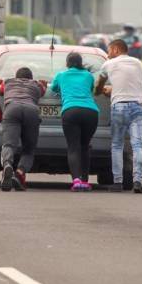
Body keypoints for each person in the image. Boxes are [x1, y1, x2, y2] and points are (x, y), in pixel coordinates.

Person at [95, 38, 142, 193]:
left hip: (119, 107)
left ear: (116, 50)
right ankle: (137, 181)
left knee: (117, 145)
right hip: (138, 107)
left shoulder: (108, 64)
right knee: (137, 145)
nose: (108, 54)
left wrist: (101, 91)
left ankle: (118, 182)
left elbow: (99, 84)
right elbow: (129, 81)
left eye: (109, 50)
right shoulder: (138, 63)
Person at [52, 52, 100, 192]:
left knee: (73, 147)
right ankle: (85, 181)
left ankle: (76, 180)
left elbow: (54, 88)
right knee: (85, 146)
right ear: (80, 62)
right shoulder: (88, 75)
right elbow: (90, 89)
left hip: (71, 111)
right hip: (91, 112)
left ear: (67, 63)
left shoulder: (61, 75)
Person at [0, 67, 46, 192]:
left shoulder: (8, 82)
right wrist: (43, 84)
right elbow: (43, 91)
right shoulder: (36, 84)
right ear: (31, 77)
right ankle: (19, 172)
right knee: (29, 149)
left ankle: (7, 164)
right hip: (31, 110)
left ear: (16, 76)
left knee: (9, 144)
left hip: (12, 109)